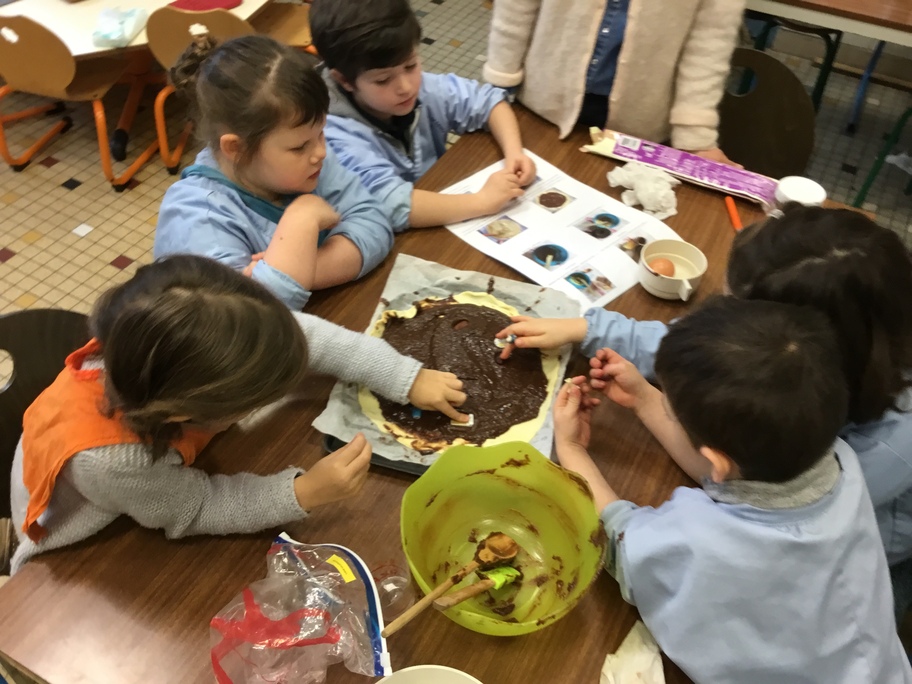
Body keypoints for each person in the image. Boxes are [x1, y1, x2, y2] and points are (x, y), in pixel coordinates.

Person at [498, 206, 912, 584]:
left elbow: (633, 551)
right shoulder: (822, 388)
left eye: (731, 308)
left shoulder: (868, 460)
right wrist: (594, 335)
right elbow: (707, 354)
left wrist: (572, 452)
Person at [10, 256, 468, 574]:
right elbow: (196, 507)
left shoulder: (195, 333)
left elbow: (304, 338)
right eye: (256, 397)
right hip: (78, 539)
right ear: (187, 412)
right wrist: (304, 491)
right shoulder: (118, 462)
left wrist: (403, 376)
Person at [553, 297, 912, 682]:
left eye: (670, 409)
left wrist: (571, 449)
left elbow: (620, 545)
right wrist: (643, 398)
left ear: (717, 459)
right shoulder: (841, 460)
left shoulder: (706, 541)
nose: (666, 407)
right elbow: (722, 470)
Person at [154, 35, 394, 311]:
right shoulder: (198, 218)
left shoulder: (308, 163)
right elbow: (247, 316)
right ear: (236, 148)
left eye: (321, 133)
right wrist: (301, 219)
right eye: (299, 146)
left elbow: (374, 222)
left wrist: (298, 269)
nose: (321, 152)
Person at [309, 0, 537, 232]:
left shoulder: (424, 88)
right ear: (344, 81)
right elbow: (392, 205)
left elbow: (488, 102)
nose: (406, 87)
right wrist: (482, 201)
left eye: (410, 66)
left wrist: (514, 153)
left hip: (437, 199)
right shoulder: (331, 137)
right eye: (383, 80)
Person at [484, 0, 745, 165]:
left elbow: (709, 44)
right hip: (540, 103)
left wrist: (696, 137)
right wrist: (498, 85)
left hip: (638, 122)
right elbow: (515, 7)